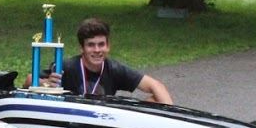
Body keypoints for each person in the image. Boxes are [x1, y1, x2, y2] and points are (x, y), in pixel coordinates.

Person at [44, 17, 173, 104]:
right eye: (91, 45)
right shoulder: (67, 66)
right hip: (72, 125)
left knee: (157, 100)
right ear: (81, 48)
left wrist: (169, 118)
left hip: (104, 126)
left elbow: (156, 86)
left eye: (101, 44)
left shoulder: (114, 69)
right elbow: (29, 81)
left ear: (108, 46)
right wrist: (45, 83)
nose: (97, 50)